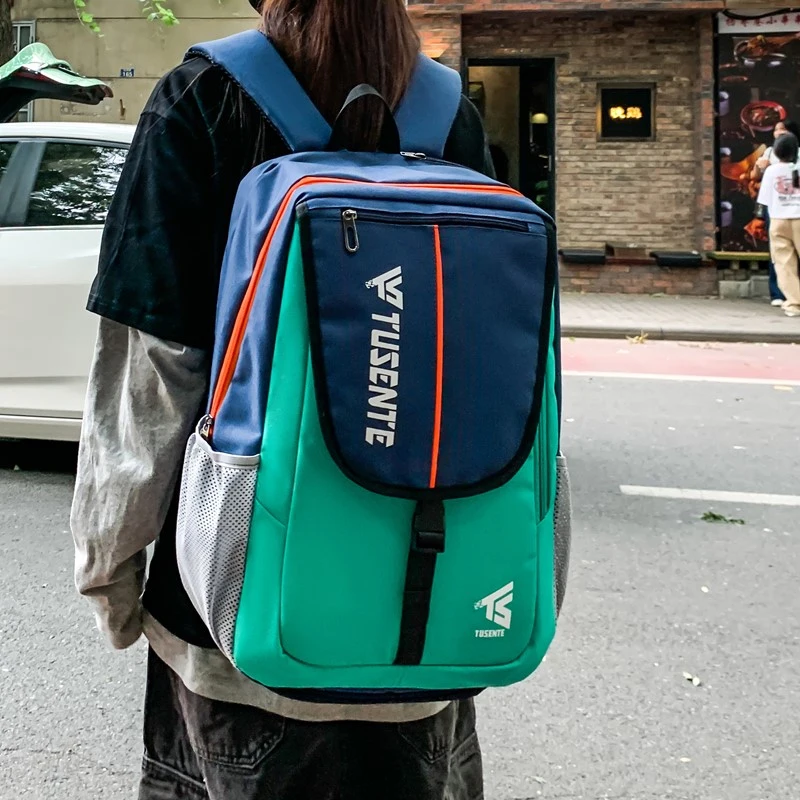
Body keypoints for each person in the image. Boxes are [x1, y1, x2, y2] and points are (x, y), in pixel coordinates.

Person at [69, 1, 493, 798]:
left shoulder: (203, 98)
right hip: (427, 629)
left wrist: (109, 571)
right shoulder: (448, 114)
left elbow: (154, 376)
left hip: (235, 631)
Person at [751, 119, 800, 306]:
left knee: (783, 260)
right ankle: (780, 295)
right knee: (782, 259)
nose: (779, 133)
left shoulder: (773, 170)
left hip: (779, 215)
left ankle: (794, 302)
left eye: (784, 130)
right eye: (777, 129)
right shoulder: (770, 156)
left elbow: (764, 197)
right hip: (787, 214)